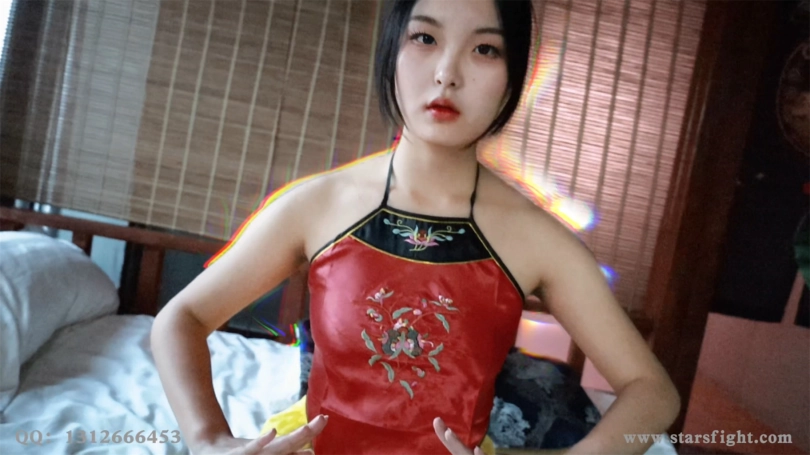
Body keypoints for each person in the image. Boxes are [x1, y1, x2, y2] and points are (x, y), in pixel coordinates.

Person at [151, 0, 681, 454]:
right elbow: (182, 318)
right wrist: (208, 440)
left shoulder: (535, 238)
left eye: (485, 49)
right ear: (392, 53)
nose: (447, 73)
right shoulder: (318, 204)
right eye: (425, 38)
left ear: (512, 77)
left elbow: (653, 392)